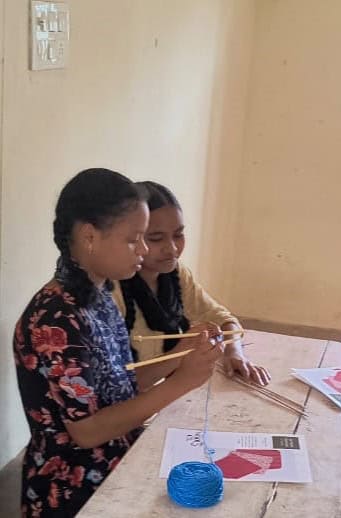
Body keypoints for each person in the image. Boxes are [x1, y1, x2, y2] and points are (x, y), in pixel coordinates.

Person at [14, 169, 221, 517]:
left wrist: (179, 353)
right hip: (72, 486)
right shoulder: (56, 319)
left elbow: (118, 386)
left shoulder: (97, 293)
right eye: (133, 239)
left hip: (117, 454)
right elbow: (88, 431)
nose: (142, 250)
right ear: (89, 236)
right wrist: (183, 381)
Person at [113, 181, 270, 386]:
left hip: (166, 392)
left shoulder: (175, 274)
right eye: (156, 238)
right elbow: (120, 385)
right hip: (133, 406)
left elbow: (223, 319)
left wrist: (234, 352)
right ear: (134, 239)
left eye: (178, 235)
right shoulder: (113, 290)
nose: (172, 249)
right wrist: (182, 352)